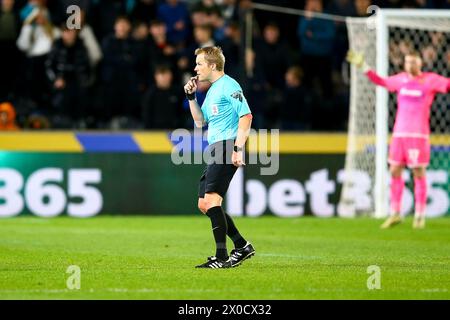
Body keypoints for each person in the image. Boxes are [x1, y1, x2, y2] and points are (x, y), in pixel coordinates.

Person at [347, 50, 450, 229]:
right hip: (399, 134)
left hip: (418, 135)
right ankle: (395, 213)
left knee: (418, 172)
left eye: (414, 62)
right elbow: (381, 81)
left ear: (420, 63)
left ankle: (419, 215)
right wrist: (363, 66)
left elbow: (447, 86)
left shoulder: (430, 80)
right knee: (394, 170)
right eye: (407, 62)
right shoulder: (401, 79)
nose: (410, 65)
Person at [184, 46, 255, 268]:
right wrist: (191, 97)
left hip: (227, 145)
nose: (195, 68)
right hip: (216, 147)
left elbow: (246, 116)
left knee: (213, 200)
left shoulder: (229, 85)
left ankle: (222, 257)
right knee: (204, 204)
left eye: (199, 63)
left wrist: (237, 149)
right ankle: (242, 246)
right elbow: (200, 121)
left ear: (212, 65)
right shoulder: (213, 89)